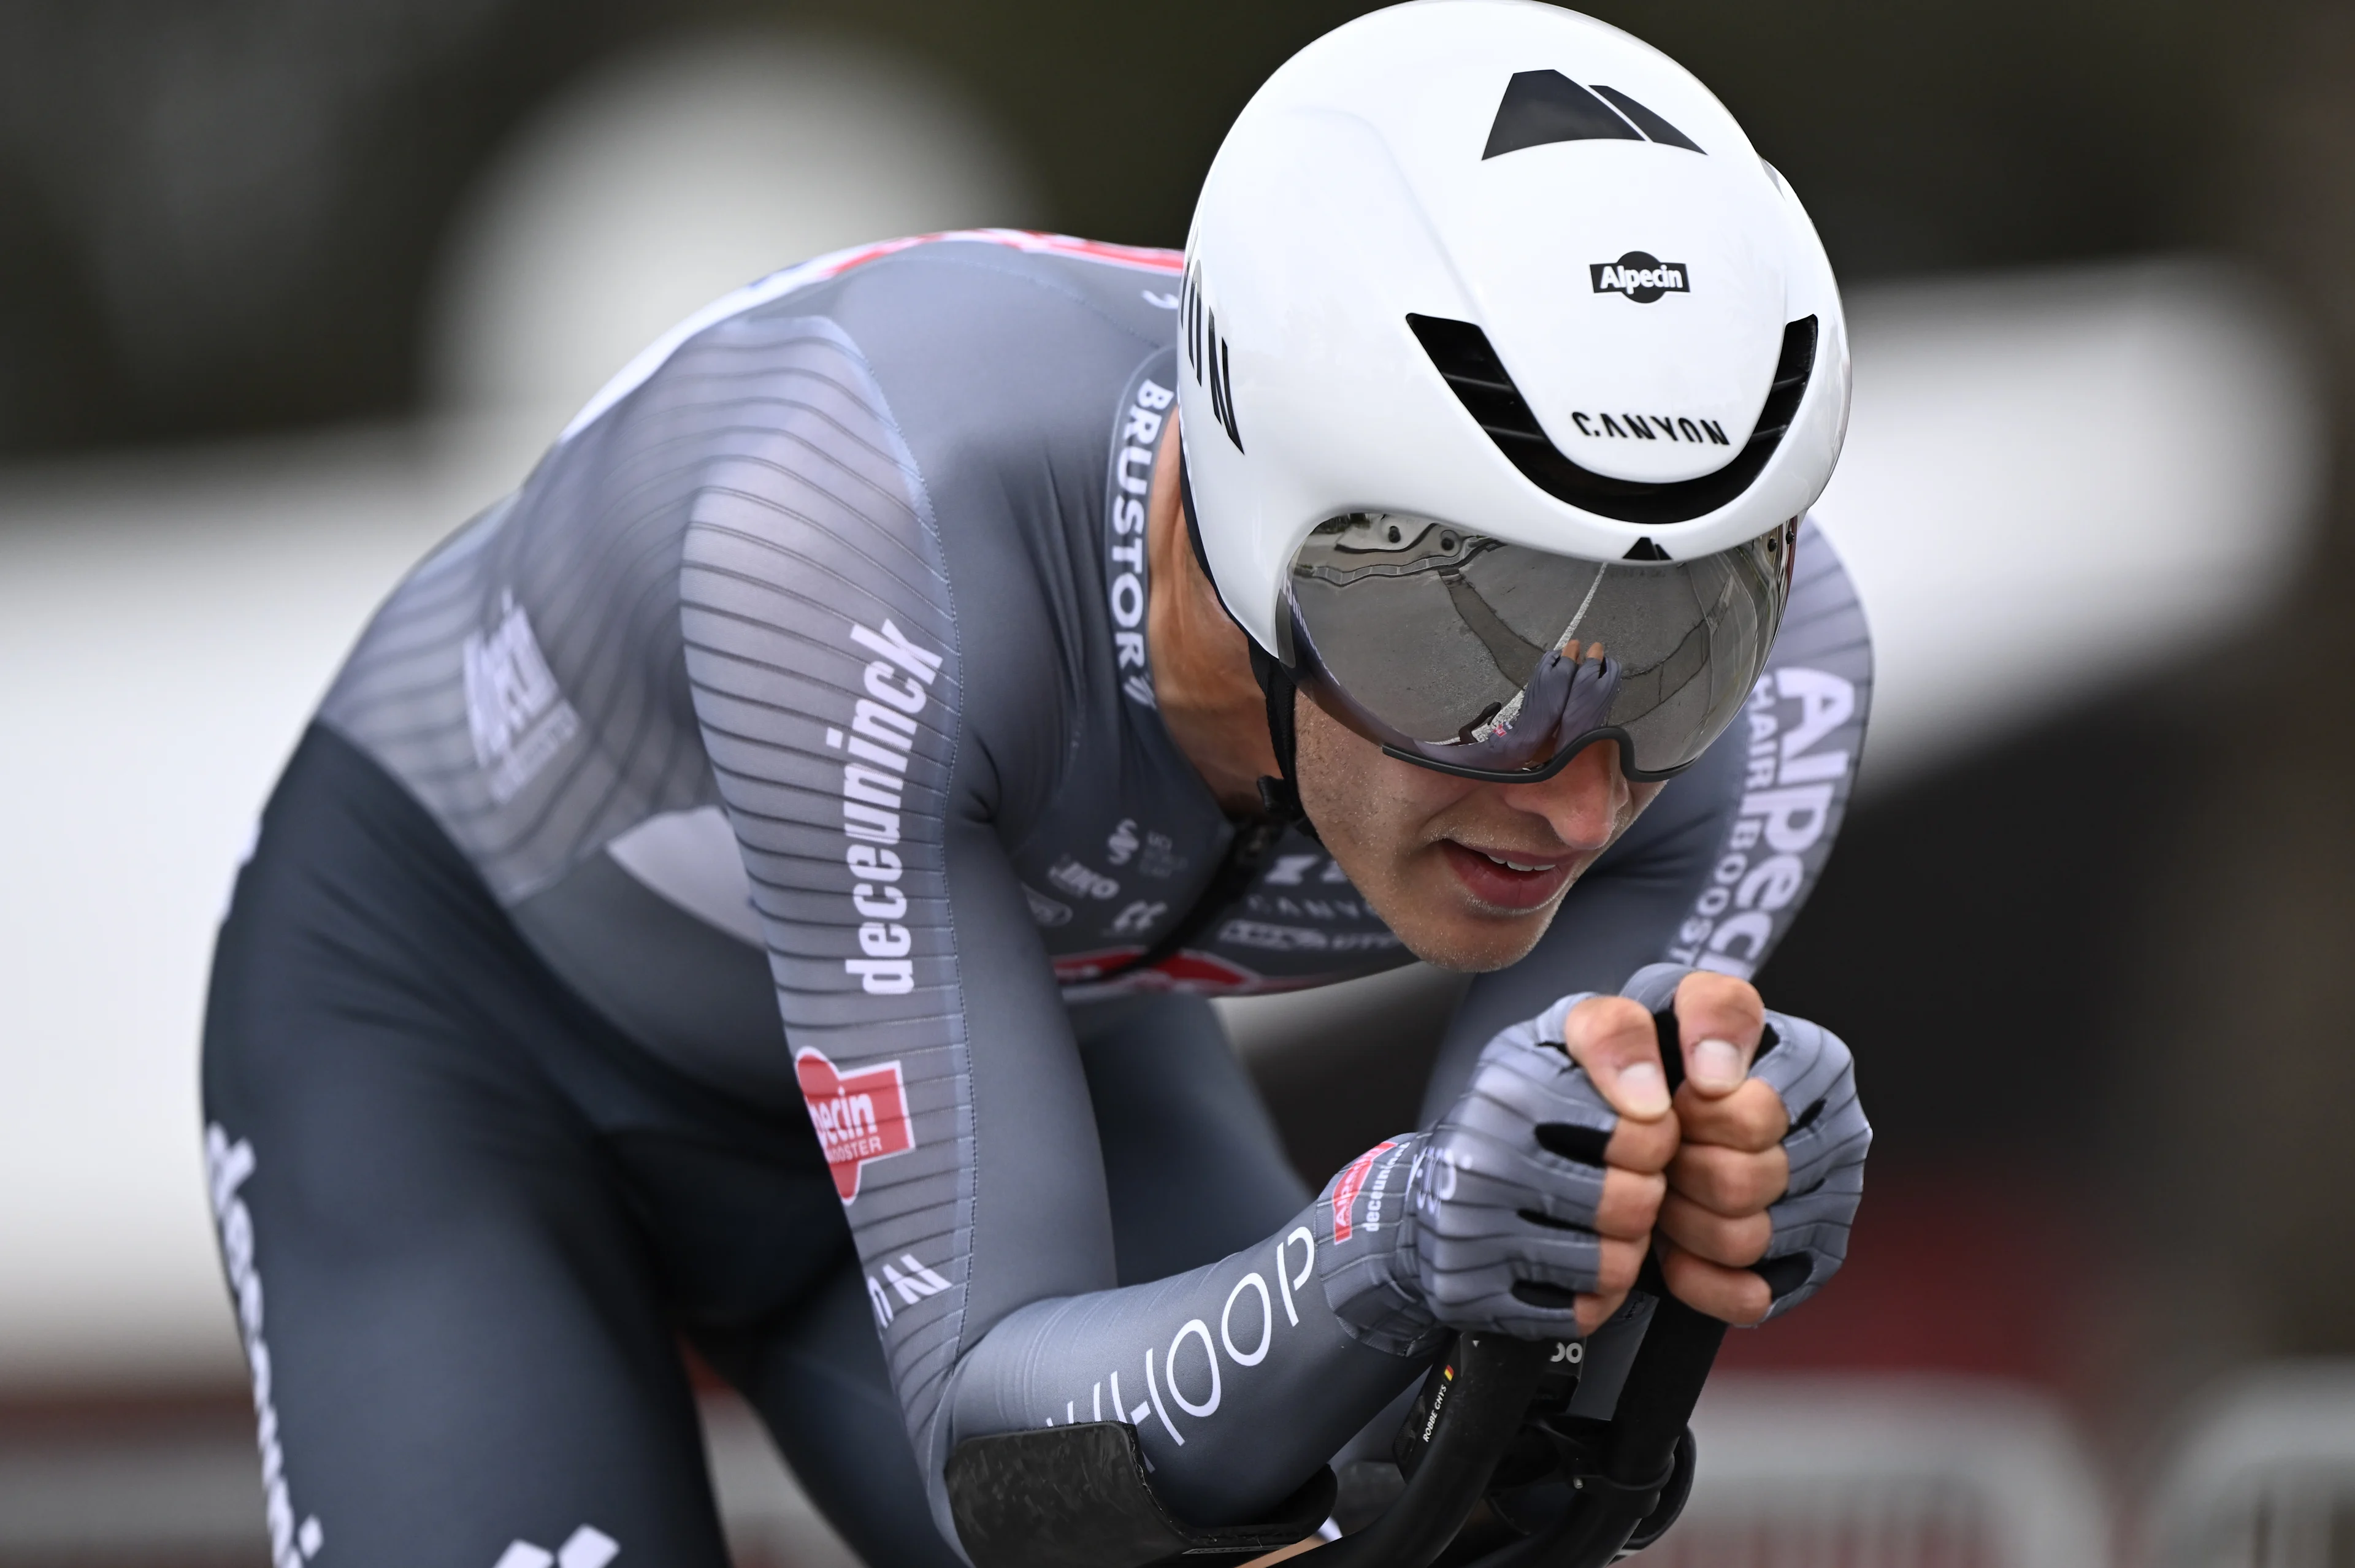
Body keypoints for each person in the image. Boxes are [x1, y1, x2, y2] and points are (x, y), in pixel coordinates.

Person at [200, 4, 1872, 1566]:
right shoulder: (860, 531)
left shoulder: (1780, 681)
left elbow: (1470, 1440)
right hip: (462, 1052)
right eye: (1464, 653)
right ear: (1261, 513)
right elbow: (998, 1446)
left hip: (1018, 1040)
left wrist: (1674, 1241)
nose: (1579, 799)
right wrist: (1392, 1232)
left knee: (1346, 1498)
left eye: (1678, 646)